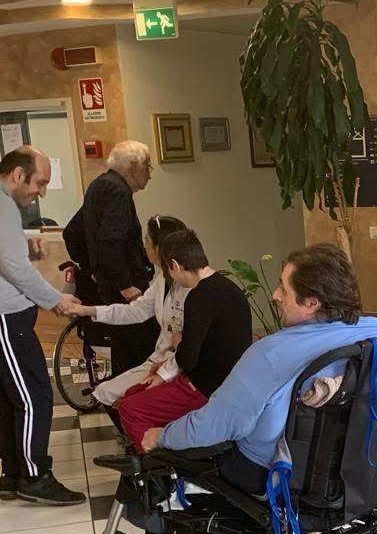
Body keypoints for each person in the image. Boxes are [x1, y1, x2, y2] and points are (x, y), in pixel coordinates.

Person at [105, 243, 377, 534]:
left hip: (271, 472)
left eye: (283, 288)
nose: (275, 295)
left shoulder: (272, 353)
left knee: (153, 459)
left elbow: (215, 426)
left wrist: (162, 436)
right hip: (354, 470)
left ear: (312, 303)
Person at [0, 146, 83, 505]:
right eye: (40, 183)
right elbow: (14, 268)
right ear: (18, 174)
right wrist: (55, 300)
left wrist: (26, 248)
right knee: (33, 397)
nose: (41, 193)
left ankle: (12, 476)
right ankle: (35, 476)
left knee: (9, 397)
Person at [107, 228, 251, 449]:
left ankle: (155, 463)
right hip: (230, 382)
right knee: (136, 391)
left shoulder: (198, 297)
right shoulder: (232, 289)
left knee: (130, 408)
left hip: (204, 388)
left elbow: (187, 359)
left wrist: (178, 344)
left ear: (174, 265)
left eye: (168, 270)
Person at [67, 212, 187, 409]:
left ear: (159, 247)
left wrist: (163, 373)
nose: (144, 245)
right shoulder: (161, 281)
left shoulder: (187, 287)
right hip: (160, 359)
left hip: (176, 367)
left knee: (124, 399)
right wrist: (88, 311)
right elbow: (135, 311)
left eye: (147, 240)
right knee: (105, 391)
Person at [65, 140, 156, 374]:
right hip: (126, 288)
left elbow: (72, 233)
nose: (149, 174)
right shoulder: (119, 192)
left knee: (122, 350)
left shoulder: (99, 185)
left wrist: (92, 269)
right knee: (139, 354)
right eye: (147, 167)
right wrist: (125, 285)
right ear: (134, 165)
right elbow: (110, 241)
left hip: (108, 286)